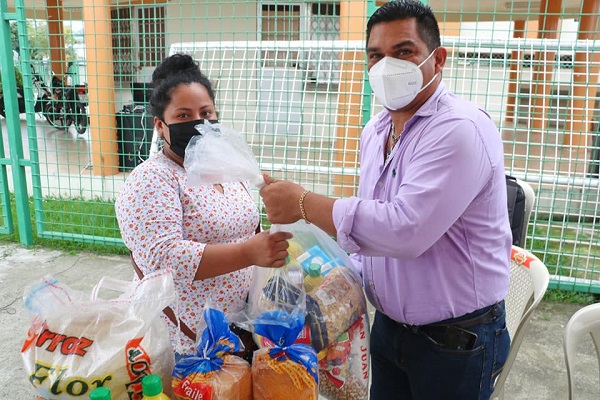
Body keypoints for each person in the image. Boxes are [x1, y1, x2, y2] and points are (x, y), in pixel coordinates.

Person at [259, 1, 512, 399]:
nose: (386, 67)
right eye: (375, 56)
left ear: (438, 58)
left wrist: (304, 204)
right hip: (390, 329)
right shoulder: (376, 130)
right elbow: (375, 225)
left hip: (455, 342)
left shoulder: (459, 129)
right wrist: (328, 272)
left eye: (404, 52)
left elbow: (404, 230)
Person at [115, 53, 292, 356]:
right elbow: (161, 258)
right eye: (183, 116)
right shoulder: (152, 179)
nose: (199, 123)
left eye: (206, 113)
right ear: (160, 125)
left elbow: (248, 226)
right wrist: (247, 253)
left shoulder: (224, 168)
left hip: (242, 327)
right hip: (186, 341)